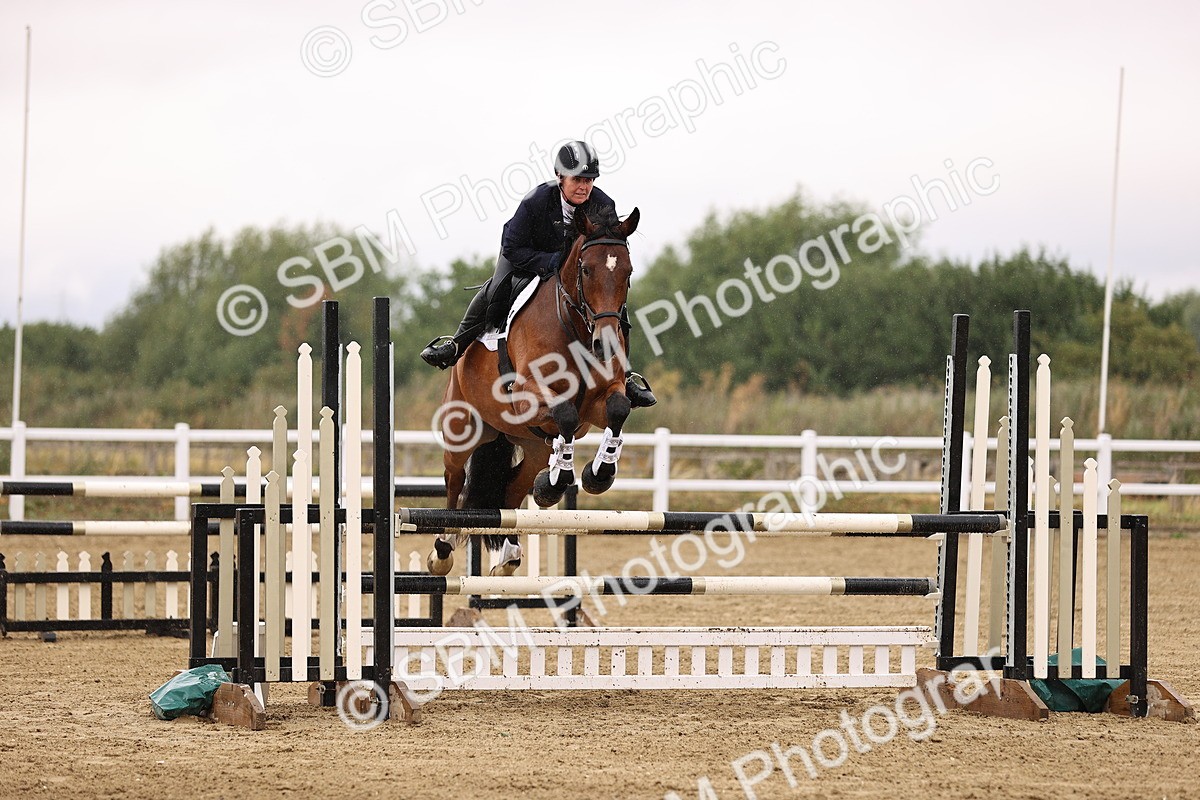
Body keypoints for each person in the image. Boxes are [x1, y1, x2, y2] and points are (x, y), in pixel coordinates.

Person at [420, 140, 656, 408]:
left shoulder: (603, 204)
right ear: (560, 176)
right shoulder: (537, 201)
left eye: (589, 180)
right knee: (497, 289)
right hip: (525, 256)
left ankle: (625, 375)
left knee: (611, 306)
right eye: (577, 179)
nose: (584, 187)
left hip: (576, 271)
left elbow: (607, 253)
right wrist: (550, 261)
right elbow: (512, 247)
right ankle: (456, 346)